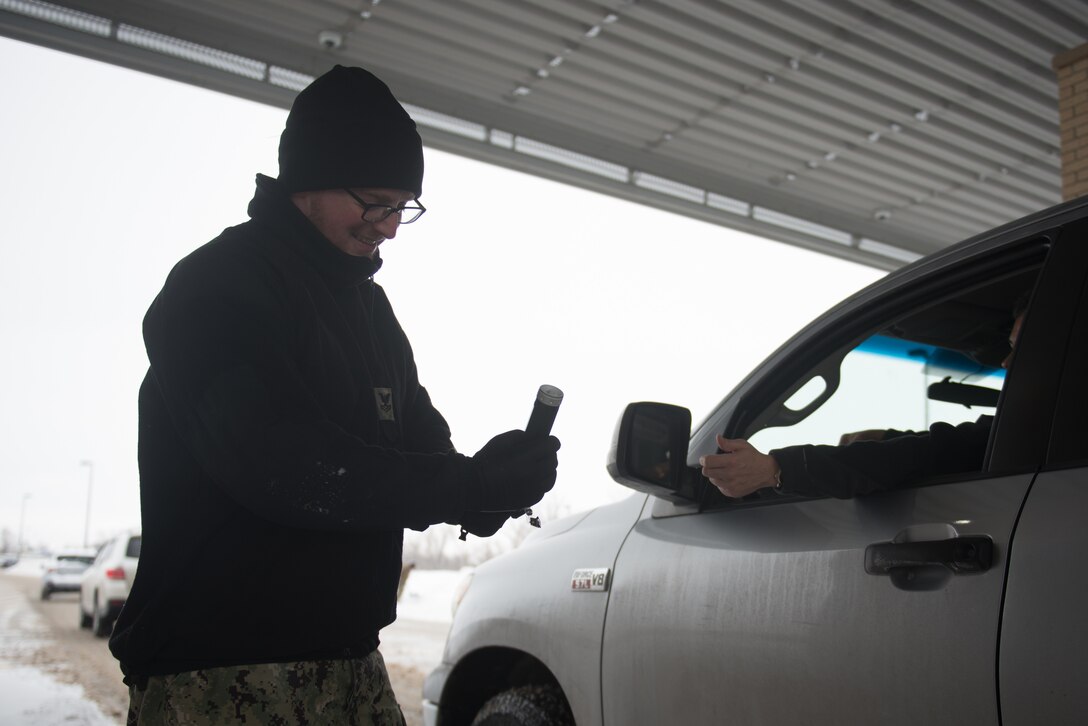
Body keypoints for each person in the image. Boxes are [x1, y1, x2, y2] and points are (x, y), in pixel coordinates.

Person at [108, 65, 560, 725]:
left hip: (352, 667)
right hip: (221, 674)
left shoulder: (370, 312)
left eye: (403, 206)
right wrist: (462, 487)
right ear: (311, 179)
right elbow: (286, 467)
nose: (390, 227)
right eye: (375, 201)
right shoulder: (217, 288)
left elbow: (420, 451)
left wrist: (491, 482)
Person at [701, 300, 1026, 500]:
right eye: (1008, 348)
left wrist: (775, 469)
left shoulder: (1046, 428)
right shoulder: (1044, 430)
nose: (1005, 363)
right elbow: (961, 446)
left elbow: (933, 454)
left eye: (1022, 344)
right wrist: (887, 438)